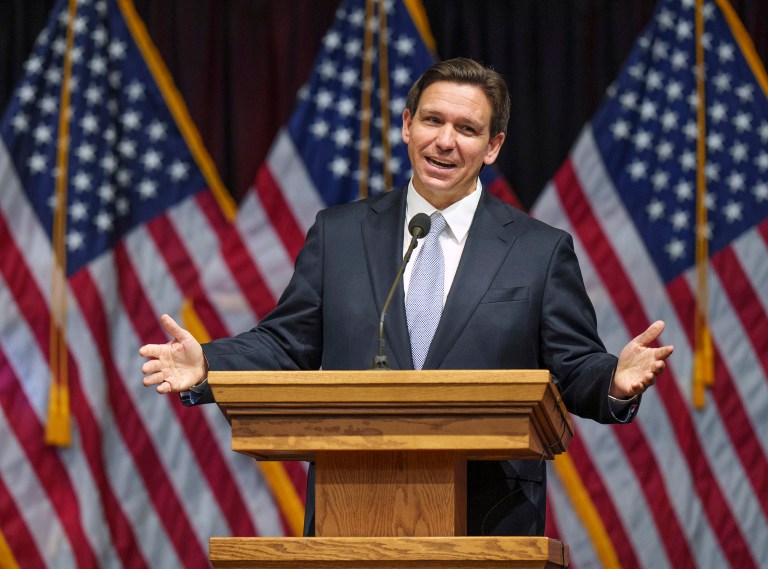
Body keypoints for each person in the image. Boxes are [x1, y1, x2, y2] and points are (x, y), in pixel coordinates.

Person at [140, 57, 673, 536]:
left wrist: (613, 380)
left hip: (490, 523)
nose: (445, 141)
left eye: (467, 129)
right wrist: (208, 363)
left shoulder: (539, 250)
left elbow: (573, 365)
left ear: (492, 147)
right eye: (432, 120)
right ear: (406, 125)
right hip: (352, 513)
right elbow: (285, 344)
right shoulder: (339, 234)